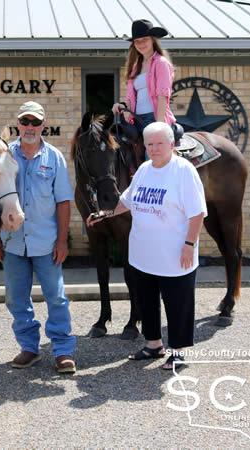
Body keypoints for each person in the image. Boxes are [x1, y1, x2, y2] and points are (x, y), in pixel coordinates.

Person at [87, 122, 206, 370]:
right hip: (143, 254)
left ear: (171, 144)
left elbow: (197, 214)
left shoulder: (183, 171)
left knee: (177, 304)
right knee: (147, 301)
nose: (154, 148)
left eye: (159, 143)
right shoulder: (143, 170)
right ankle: (154, 345)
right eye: (149, 144)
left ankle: (178, 352)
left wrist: (188, 244)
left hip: (174, 255)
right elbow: (126, 201)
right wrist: (105, 214)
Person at [0, 101, 77, 374]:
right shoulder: (5, 156)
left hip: (46, 243)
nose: (30, 127)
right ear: (18, 124)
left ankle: (63, 350)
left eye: (35, 122)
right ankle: (29, 348)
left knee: (57, 298)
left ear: (43, 125)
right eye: (25, 122)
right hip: (13, 243)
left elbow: (64, 202)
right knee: (16, 299)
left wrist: (62, 240)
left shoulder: (54, 158)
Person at [112, 19, 176, 145]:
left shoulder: (161, 63)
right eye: (137, 41)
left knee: (151, 156)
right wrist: (123, 106)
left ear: (153, 39)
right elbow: (132, 99)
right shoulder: (135, 67)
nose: (141, 44)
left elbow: (162, 96)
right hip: (136, 120)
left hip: (154, 118)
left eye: (144, 39)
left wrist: (159, 126)